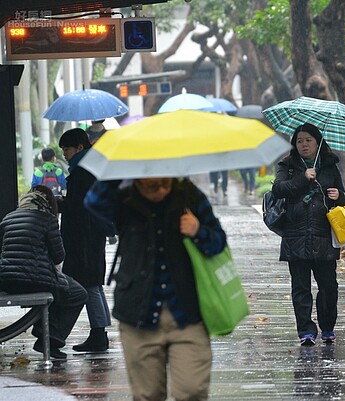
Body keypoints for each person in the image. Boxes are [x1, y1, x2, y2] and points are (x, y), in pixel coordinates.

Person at [84, 177, 227, 401]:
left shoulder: (190, 196)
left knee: (192, 390)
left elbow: (218, 242)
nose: (159, 190)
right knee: (147, 395)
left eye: (165, 184)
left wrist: (198, 230)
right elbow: (93, 202)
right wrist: (118, 170)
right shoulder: (124, 199)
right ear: (138, 180)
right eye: (151, 186)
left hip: (187, 313)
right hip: (138, 315)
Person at [271, 123, 345, 346]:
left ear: (318, 142)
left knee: (328, 286)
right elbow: (278, 189)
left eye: (308, 140)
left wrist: (338, 195)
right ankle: (305, 331)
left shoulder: (330, 167)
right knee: (301, 287)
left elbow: (343, 197)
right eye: (299, 141)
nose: (303, 145)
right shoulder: (288, 165)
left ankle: (327, 327)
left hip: (324, 235)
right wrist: (303, 178)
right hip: (296, 235)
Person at [0, 186, 87, 359]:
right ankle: (51, 338)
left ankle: (43, 330)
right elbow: (58, 256)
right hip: (36, 280)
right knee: (77, 293)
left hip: (7, 280)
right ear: (48, 204)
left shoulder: (7, 219)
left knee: (58, 286)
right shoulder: (47, 220)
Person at [58, 128, 112, 353]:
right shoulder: (92, 167)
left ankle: (98, 334)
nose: (64, 154)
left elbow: (78, 208)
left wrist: (59, 203)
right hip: (92, 234)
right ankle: (100, 332)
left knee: (88, 284)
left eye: (67, 149)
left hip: (83, 236)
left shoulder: (82, 172)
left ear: (79, 147)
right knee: (94, 283)